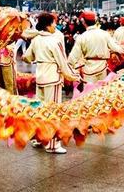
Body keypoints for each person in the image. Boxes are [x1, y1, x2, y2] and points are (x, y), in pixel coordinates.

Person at [23, 12, 81, 154]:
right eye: (54, 23)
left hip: (40, 77)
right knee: (54, 111)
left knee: (40, 110)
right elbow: (63, 64)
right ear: (48, 25)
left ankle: (38, 138)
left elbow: (26, 57)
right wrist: (74, 76)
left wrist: (39, 60)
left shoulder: (36, 40)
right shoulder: (55, 41)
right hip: (52, 79)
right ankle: (53, 144)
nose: (55, 25)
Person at [68, 11, 124, 83]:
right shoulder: (105, 34)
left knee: (89, 91)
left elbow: (73, 57)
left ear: (83, 22)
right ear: (95, 21)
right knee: (101, 90)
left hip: (89, 69)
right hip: (102, 67)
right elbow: (116, 48)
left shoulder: (82, 37)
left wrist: (68, 67)